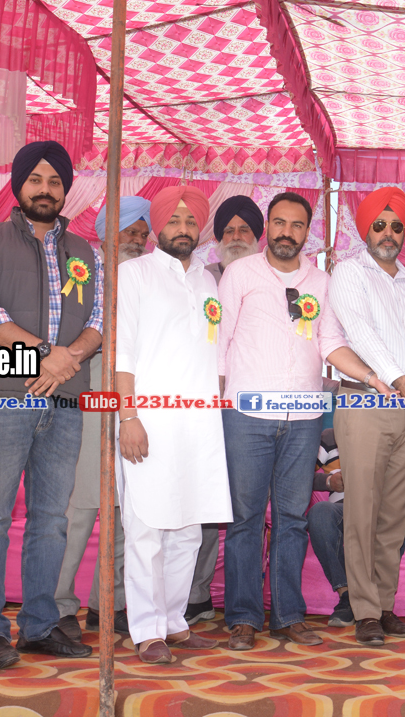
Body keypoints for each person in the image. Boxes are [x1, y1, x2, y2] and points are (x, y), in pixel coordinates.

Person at [217, 192, 390, 651]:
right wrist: (215, 403)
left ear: (307, 232)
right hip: (246, 414)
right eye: (279, 222)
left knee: (292, 518)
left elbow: (329, 341)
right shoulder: (240, 274)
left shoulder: (321, 281)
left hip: (304, 416)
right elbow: (220, 340)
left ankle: (288, 615)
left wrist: (372, 377)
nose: (287, 232)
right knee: (245, 519)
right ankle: (243, 618)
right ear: (268, 226)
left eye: (297, 225)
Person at [0, 140, 101, 668]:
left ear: (65, 191)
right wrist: (46, 354)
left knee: (51, 520)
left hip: (64, 402)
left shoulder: (85, 253)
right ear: (19, 186)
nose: (45, 189)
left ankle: (39, 625)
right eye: (35, 179)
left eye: (55, 181)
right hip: (0, 396)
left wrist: (69, 358)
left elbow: (99, 321)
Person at [115, 186, 232, 664]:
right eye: (174, 220)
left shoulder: (208, 281)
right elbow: (122, 352)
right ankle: (146, 631)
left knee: (188, 527)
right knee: (145, 526)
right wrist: (128, 417)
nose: (183, 228)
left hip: (200, 424)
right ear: (157, 227)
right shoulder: (134, 273)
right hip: (148, 420)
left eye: (191, 221)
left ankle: (173, 621)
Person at [328, 186, 405, 645]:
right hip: (366, 403)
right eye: (379, 225)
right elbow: (360, 332)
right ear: (365, 230)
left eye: (396, 226)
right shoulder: (350, 272)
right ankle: (365, 610)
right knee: (362, 511)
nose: (388, 233)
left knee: (395, 511)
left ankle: (385, 605)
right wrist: (400, 380)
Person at [53, 196, 150, 641]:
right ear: (109, 234)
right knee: (82, 508)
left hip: (137, 403)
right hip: (89, 395)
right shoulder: (82, 272)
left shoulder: (148, 279)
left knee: (126, 509)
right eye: (130, 231)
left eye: (143, 234)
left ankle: (106, 604)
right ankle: (58, 607)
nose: (138, 240)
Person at [186, 194, 264, 626]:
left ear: (257, 237)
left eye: (244, 230)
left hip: (254, 412)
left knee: (239, 506)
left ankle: (244, 599)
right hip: (203, 407)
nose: (235, 237)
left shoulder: (271, 277)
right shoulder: (203, 280)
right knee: (204, 501)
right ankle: (195, 594)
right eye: (228, 231)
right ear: (217, 239)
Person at [306, 429, 351, 626]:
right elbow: (297, 474)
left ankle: (380, 601)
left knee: (397, 516)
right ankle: (346, 594)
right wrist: (328, 482)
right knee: (320, 512)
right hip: (342, 509)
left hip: (380, 507)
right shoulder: (331, 437)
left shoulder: (394, 431)